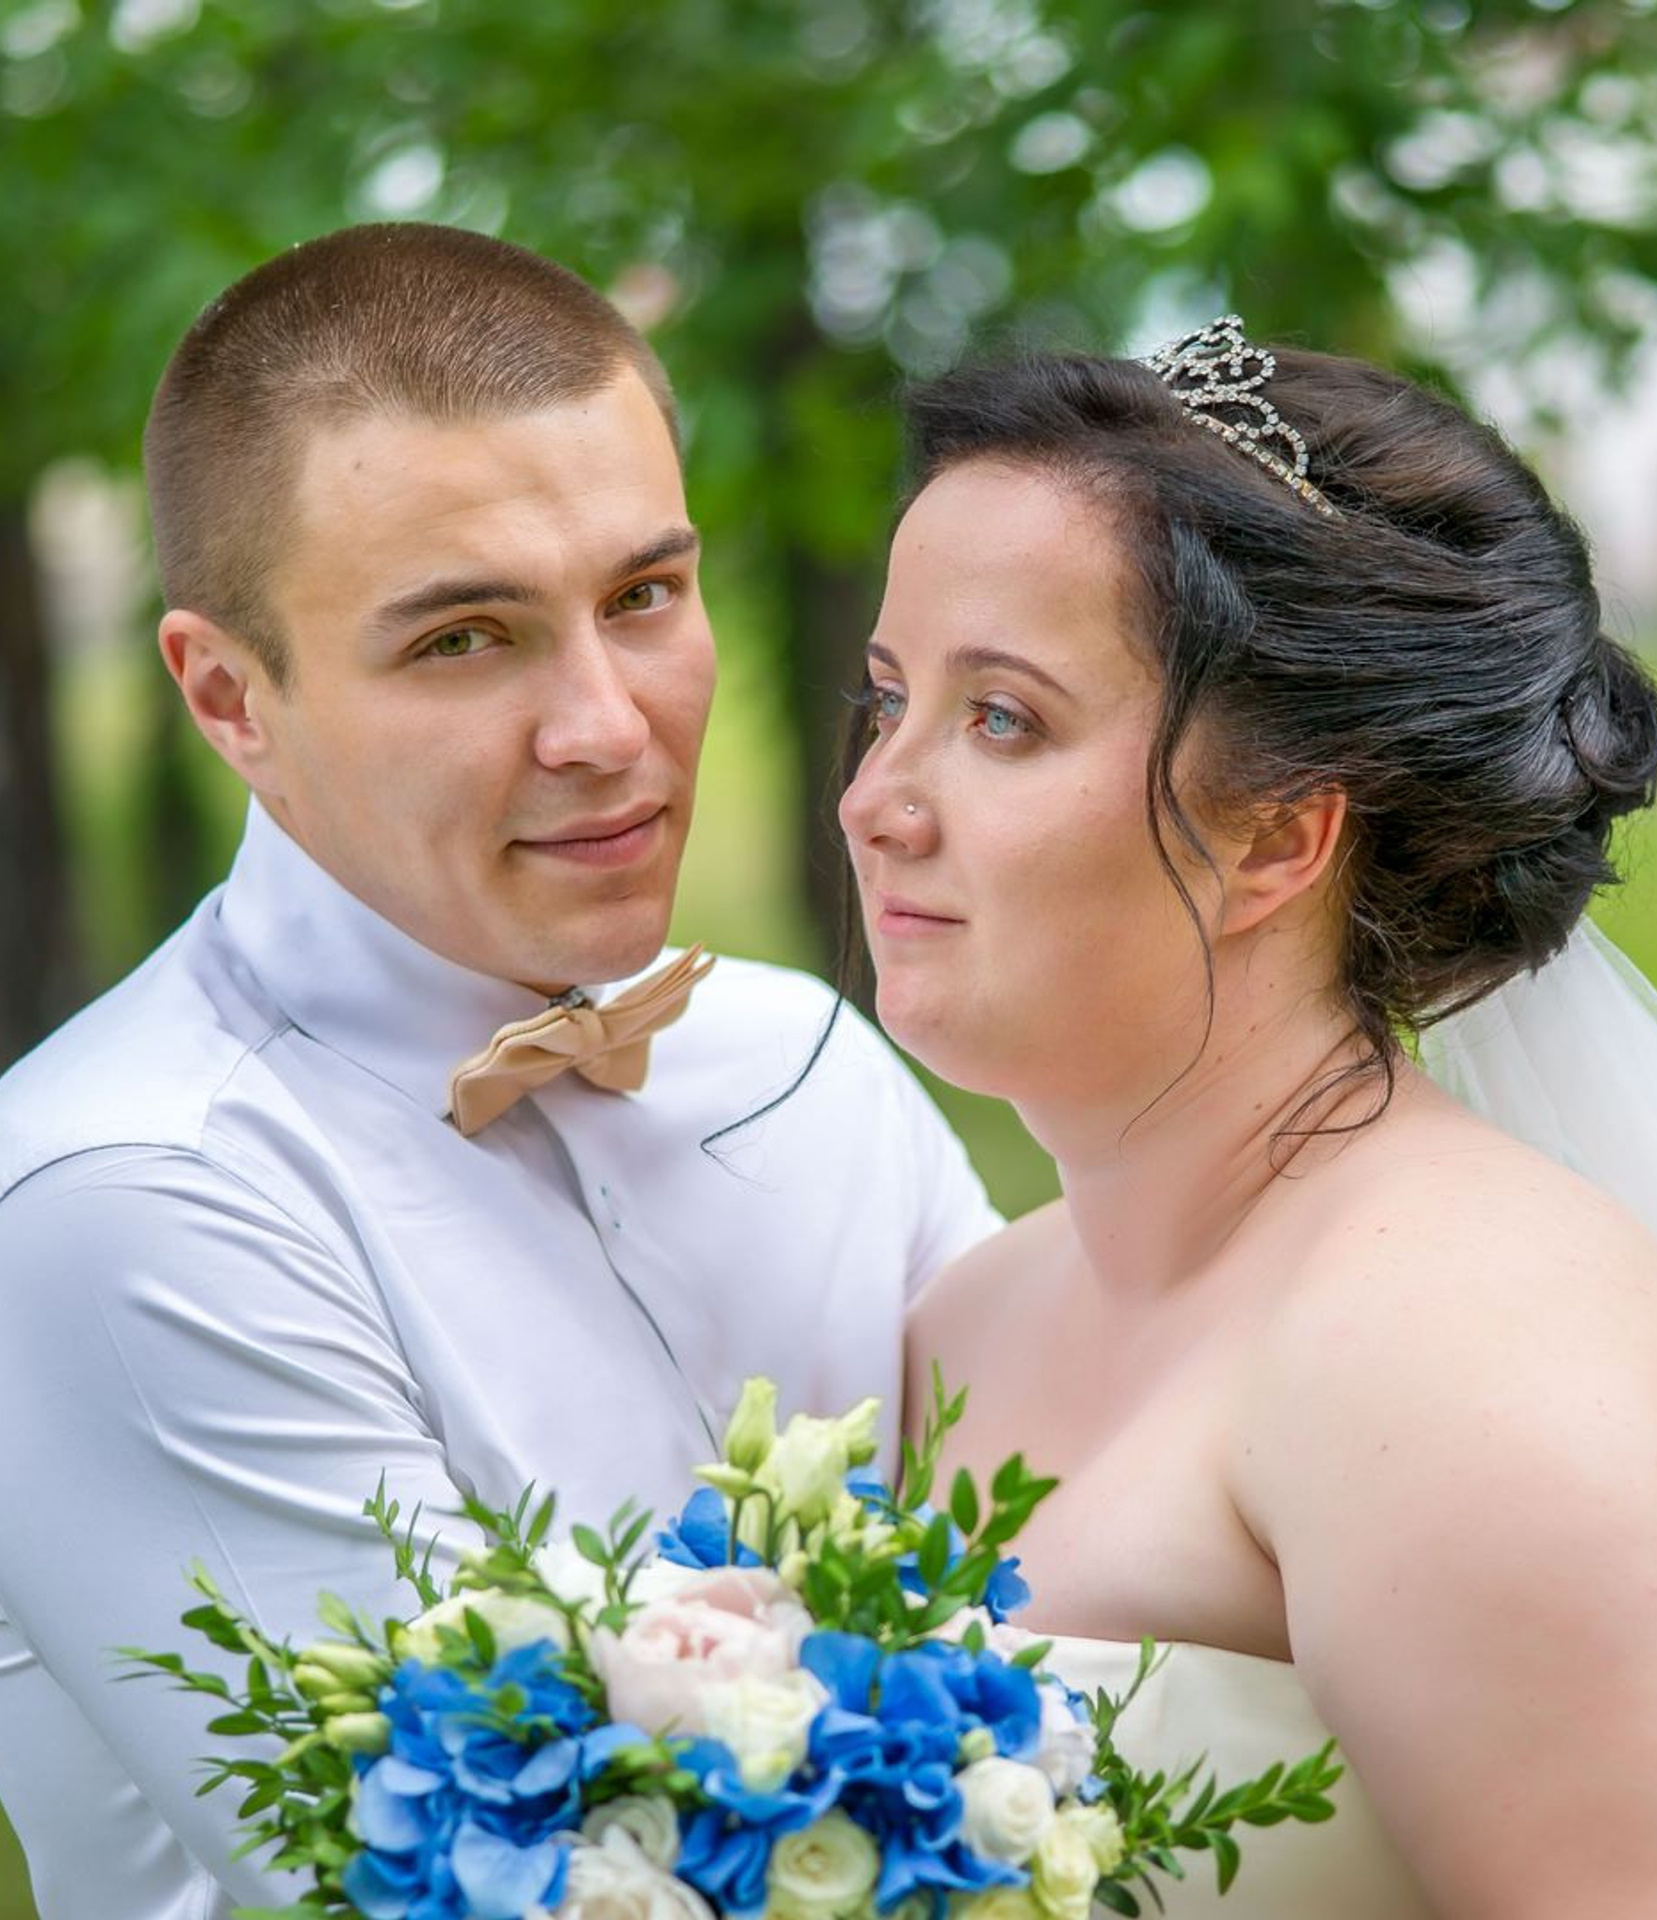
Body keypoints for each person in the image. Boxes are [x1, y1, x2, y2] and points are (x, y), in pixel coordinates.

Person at [838, 318, 1657, 1916]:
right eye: (888, 701)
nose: (875, 800)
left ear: (1281, 837)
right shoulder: (967, 1322)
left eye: (1004, 719)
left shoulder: (1467, 1367)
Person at [0, 223, 998, 1920]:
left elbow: (1079, 1580)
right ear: (230, 697)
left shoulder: (812, 1063)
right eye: (465, 639)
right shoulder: (124, 1199)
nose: (605, 727)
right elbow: (487, 1879)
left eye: (644, 597)